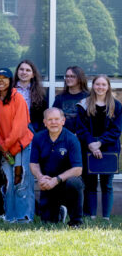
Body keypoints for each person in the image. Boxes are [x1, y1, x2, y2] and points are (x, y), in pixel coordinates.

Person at [74, 75, 121, 219]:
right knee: (90, 184)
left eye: (103, 85)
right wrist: (91, 144)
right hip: (88, 148)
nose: (100, 87)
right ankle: (92, 216)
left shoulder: (117, 106)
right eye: (97, 84)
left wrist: (100, 143)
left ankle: (106, 217)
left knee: (107, 185)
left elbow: (116, 130)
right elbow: (81, 129)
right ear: (93, 86)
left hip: (109, 149)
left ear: (108, 87)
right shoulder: (84, 104)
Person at [30, 107, 84, 226]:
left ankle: (76, 221)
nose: (53, 122)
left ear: (63, 121)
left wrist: (57, 179)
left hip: (66, 183)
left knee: (74, 182)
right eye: (50, 119)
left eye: (56, 119)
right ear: (44, 122)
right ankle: (59, 212)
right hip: (48, 183)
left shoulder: (72, 139)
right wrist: (40, 177)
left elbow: (78, 169)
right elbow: (33, 163)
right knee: (47, 223)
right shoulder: (38, 138)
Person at [0, 67, 34, 223]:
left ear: (10, 81)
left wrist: (8, 146)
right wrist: (2, 147)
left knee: (21, 181)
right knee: (9, 182)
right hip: (5, 150)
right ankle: (10, 217)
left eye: (5, 78)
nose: (1, 81)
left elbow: (19, 127)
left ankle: (24, 217)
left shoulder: (18, 99)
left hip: (21, 147)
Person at [15, 59, 48, 132]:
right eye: (21, 69)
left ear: (33, 74)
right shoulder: (10, 90)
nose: (24, 72)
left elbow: (43, 116)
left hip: (32, 129)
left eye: (28, 70)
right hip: (12, 127)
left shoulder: (40, 93)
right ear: (17, 72)